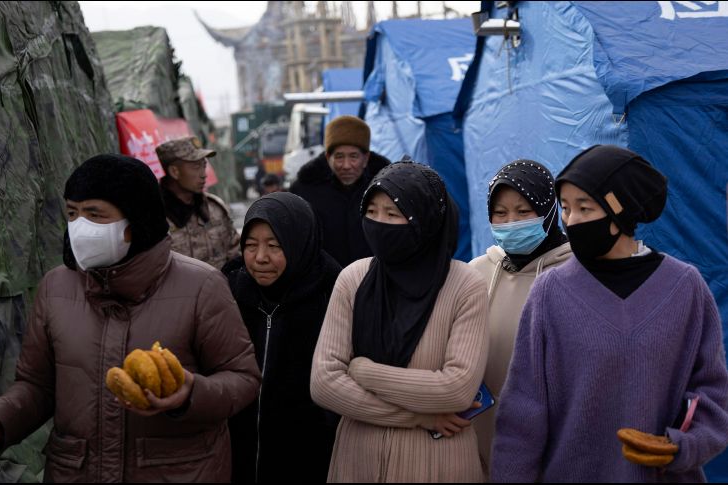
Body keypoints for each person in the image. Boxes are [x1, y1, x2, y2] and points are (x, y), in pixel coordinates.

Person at [0, 154, 261, 482]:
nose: (79, 227)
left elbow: (242, 378)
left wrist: (189, 392)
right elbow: (37, 386)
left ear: (136, 220)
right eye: (72, 213)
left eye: (94, 214)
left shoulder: (201, 286)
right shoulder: (55, 288)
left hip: (177, 472)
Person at [491, 145, 728, 482]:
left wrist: (684, 446)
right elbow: (522, 414)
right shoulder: (550, 293)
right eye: (566, 208)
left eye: (584, 208)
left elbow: (712, 394)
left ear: (621, 211)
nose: (571, 221)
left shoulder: (684, 288)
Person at [311, 160, 490, 482]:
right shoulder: (353, 279)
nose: (379, 224)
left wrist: (363, 370)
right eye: (372, 211)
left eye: (394, 215)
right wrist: (417, 416)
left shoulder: (464, 285)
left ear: (425, 220)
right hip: (359, 461)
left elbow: (457, 389)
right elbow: (324, 384)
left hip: (438, 463)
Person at [227, 192, 341, 483]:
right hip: (238, 457)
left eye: (275, 246)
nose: (260, 258)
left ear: (299, 243)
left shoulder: (334, 294)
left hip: (311, 457)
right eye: (250, 246)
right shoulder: (229, 293)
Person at [468, 160, 571, 474]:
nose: (510, 222)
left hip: (549, 435)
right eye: (500, 213)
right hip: (480, 428)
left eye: (524, 212)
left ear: (549, 211)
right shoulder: (477, 272)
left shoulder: (575, 275)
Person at [290, 115, 390, 268]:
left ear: (366, 158)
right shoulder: (305, 192)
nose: (346, 165)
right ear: (328, 157)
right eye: (339, 157)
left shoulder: (386, 188)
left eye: (354, 156)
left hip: (376, 278)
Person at [156, 136, 240, 270]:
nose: (203, 174)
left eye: (204, 165)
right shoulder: (154, 218)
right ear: (174, 172)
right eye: (196, 167)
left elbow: (236, 254)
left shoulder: (214, 209)